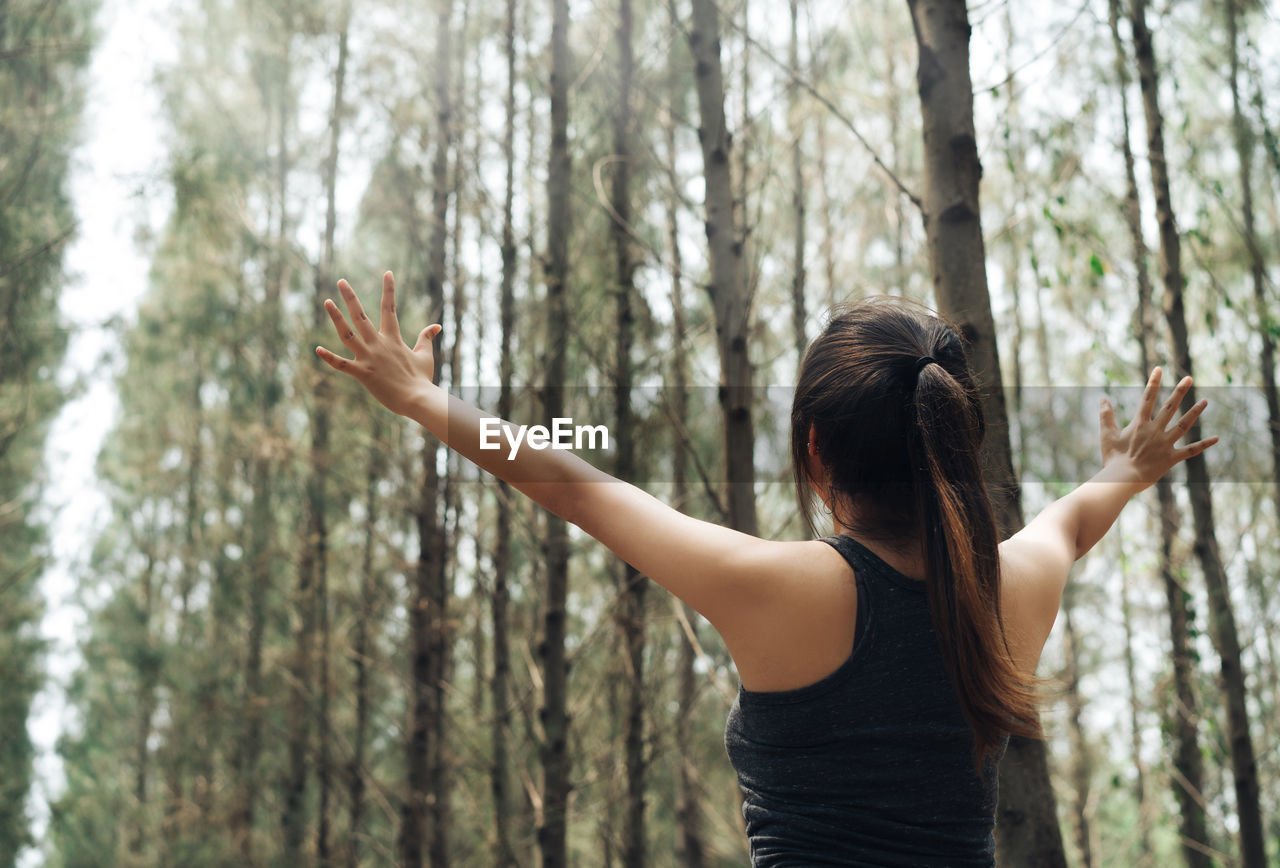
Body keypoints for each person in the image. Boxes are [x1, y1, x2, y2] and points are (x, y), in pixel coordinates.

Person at [315, 273, 1219, 866]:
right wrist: (1128, 468)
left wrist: (423, 398)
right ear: (949, 442)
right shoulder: (1013, 586)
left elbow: (581, 491)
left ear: (815, 450)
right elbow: (1074, 521)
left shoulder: (790, 590)